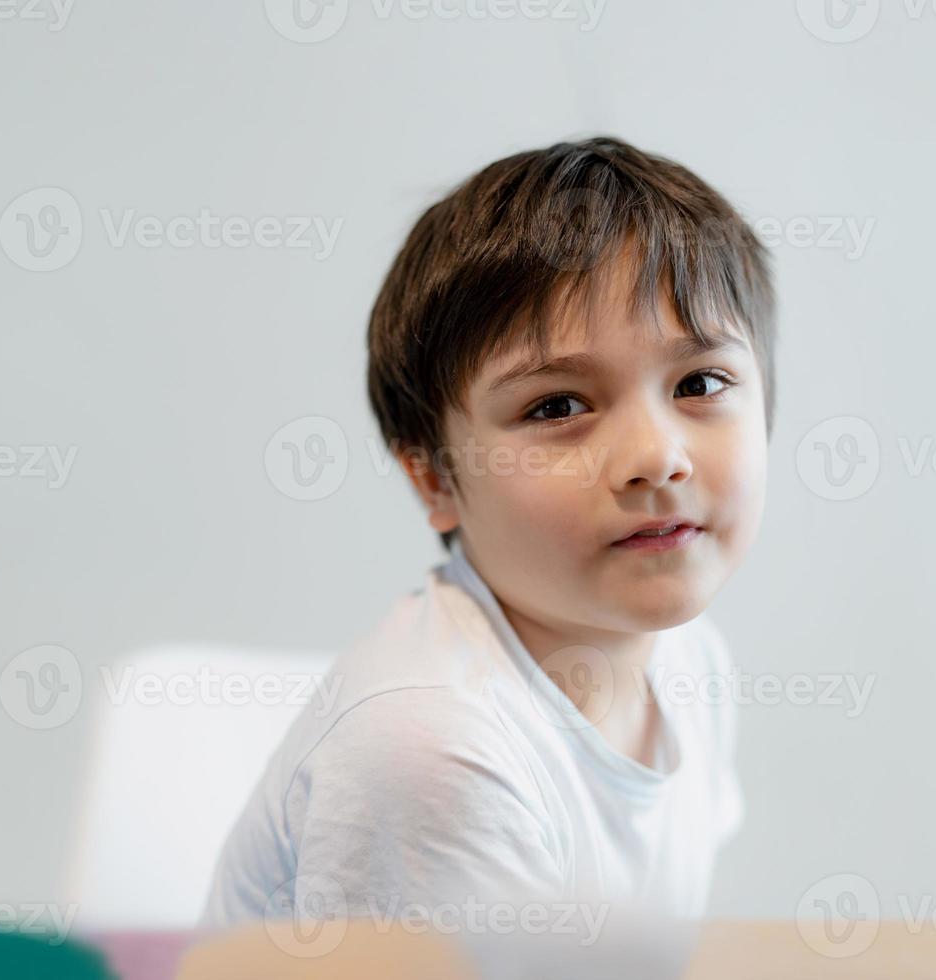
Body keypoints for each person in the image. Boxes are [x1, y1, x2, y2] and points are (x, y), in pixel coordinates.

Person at [199, 136, 777, 943]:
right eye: (556, 407)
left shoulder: (690, 662)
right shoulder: (428, 753)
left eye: (699, 384)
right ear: (435, 479)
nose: (656, 457)